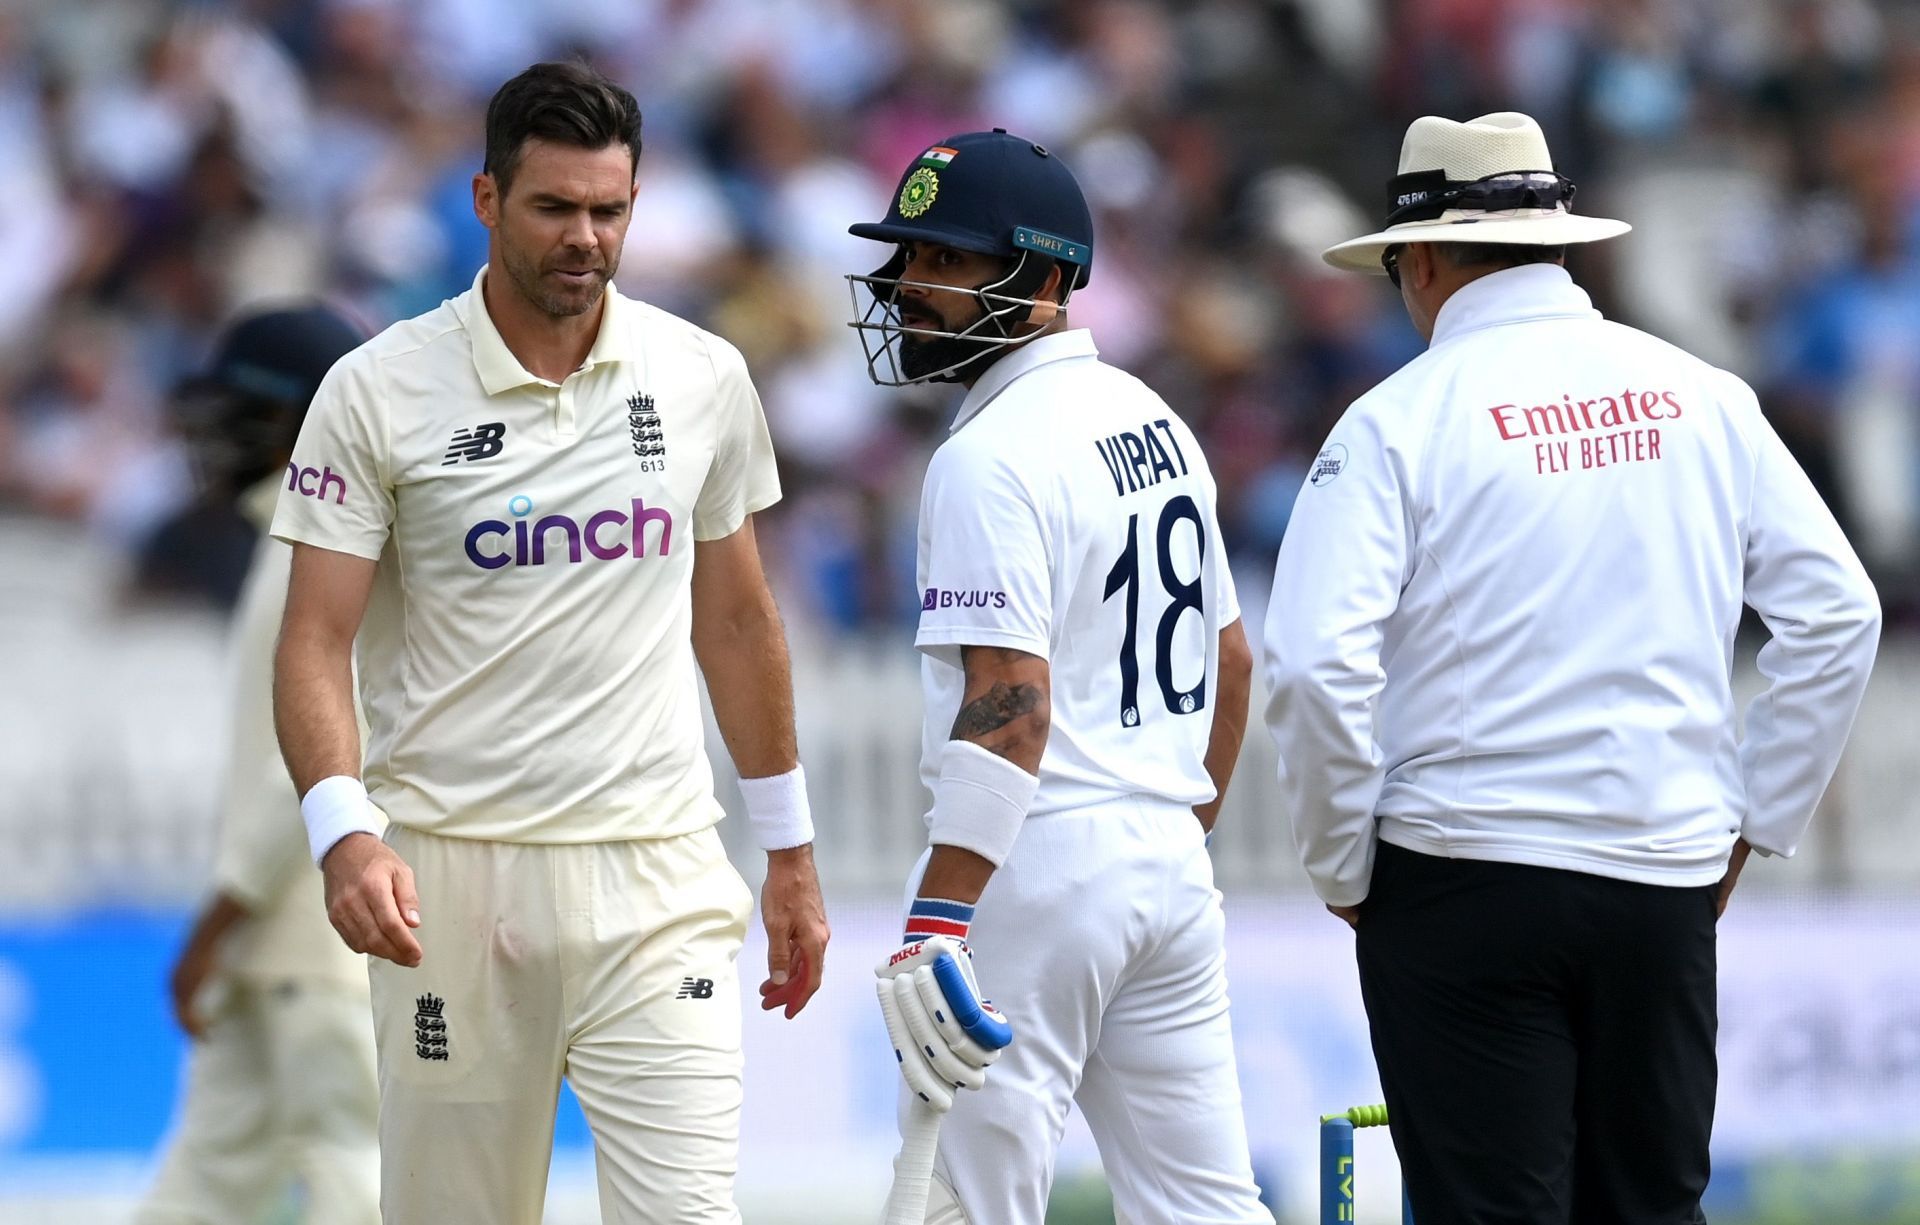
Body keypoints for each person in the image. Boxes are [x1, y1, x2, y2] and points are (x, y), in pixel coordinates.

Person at [1263, 111, 1882, 1225]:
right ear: (1556, 241)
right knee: (1650, 1207)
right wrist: (1751, 821)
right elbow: (1838, 614)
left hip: (1464, 868)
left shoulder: (1397, 420)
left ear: (1425, 258)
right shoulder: (1705, 395)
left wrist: (1344, 865)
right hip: (1660, 870)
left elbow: (1312, 668)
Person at [269, 61, 830, 1224]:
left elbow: (735, 620)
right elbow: (314, 641)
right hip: (451, 884)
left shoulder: (702, 377)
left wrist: (790, 848)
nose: (585, 238)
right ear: (485, 200)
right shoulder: (376, 392)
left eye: (609, 211)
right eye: (554, 208)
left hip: (657, 874)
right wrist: (342, 836)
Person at [848, 129, 1274, 1225]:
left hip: (1035, 858)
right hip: (1167, 857)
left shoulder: (987, 456)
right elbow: (1231, 658)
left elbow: (1012, 709)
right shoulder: (1154, 417)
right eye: (908, 258)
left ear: (1040, 279)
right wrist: (1169, 827)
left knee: (964, 1200)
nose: (907, 287)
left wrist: (940, 917)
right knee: (1207, 1209)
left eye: (942, 260)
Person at [141, 303, 379, 1225]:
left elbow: (312, 772)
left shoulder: (321, 552)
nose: (210, 440)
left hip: (318, 950)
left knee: (352, 1178)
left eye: (235, 415)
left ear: (295, 421)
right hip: (275, 952)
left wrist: (221, 916)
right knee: (205, 1191)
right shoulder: (289, 544)